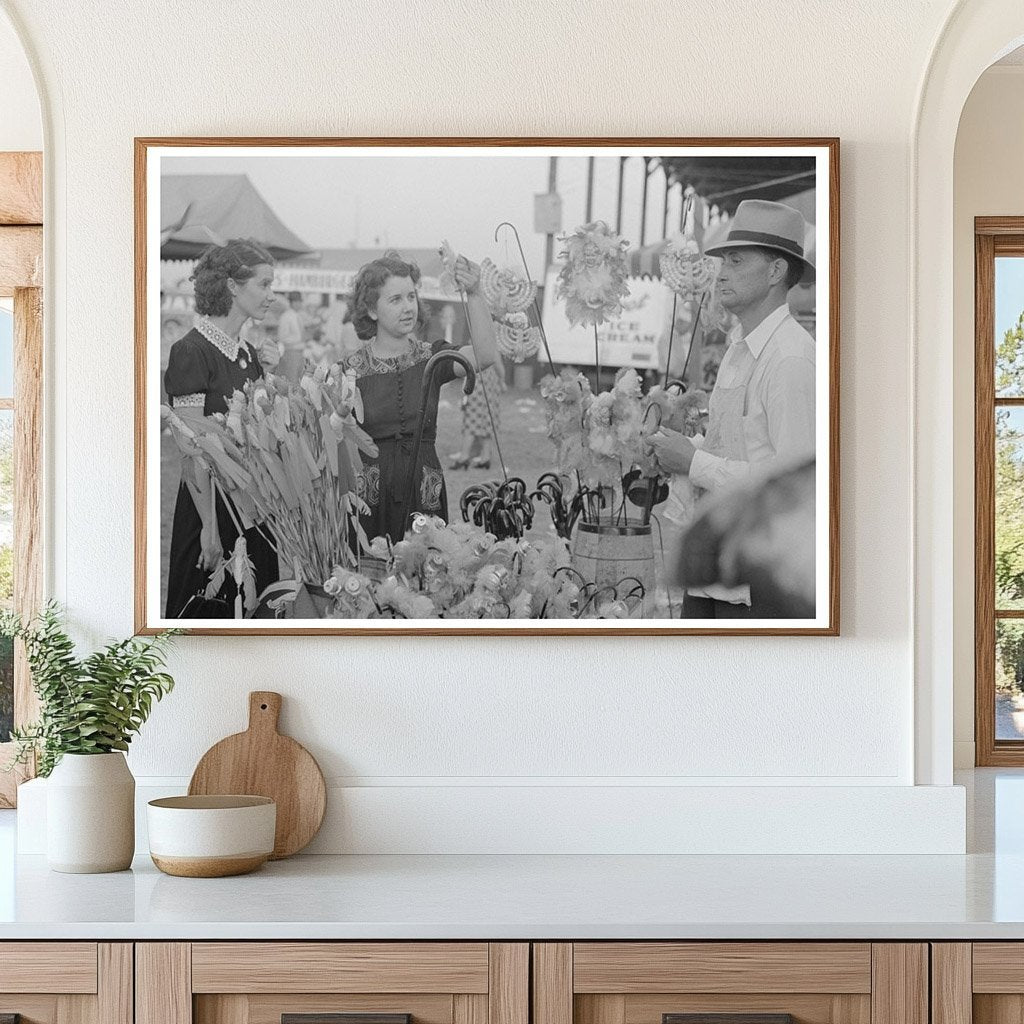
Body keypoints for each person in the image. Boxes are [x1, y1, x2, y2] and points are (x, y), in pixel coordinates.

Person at [646, 199, 816, 619]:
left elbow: (794, 490)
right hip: (718, 568)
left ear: (776, 272)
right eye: (724, 261)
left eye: (737, 261)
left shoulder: (792, 359)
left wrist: (695, 461)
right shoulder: (740, 348)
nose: (722, 273)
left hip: (761, 581)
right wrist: (683, 447)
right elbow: (738, 445)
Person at [344, 250, 498, 543]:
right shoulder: (350, 372)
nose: (407, 307)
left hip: (424, 490)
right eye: (395, 299)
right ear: (372, 310)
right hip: (370, 498)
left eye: (411, 297)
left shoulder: (433, 358)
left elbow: (485, 355)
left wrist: (475, 293)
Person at [163, 238, 280, 618]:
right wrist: (209, 530)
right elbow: (191, 449)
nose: (271, 295)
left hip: (252, 510)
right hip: (210, 509)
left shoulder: (248, 353)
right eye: (264, 284)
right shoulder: (191, 352)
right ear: (233, 286)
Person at [449, 357, 504, 470]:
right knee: (487, 419)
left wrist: (502, 380)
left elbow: (496, 360)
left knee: (472, 419)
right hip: (489, 382)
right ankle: (485, 457)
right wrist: (501, 380)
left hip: (479, 381)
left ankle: (464, 456)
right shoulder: (491, 342)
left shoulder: (483, 342)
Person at [276, 290, 306, 383]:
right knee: (291, 382)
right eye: (298, 302)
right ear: (293, 302)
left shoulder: (298, 316)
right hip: (290, 351)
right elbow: (282, 337)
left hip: (300, 352)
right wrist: (297, 339)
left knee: (300, 381)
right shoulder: (286, 316)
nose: (300, 304)